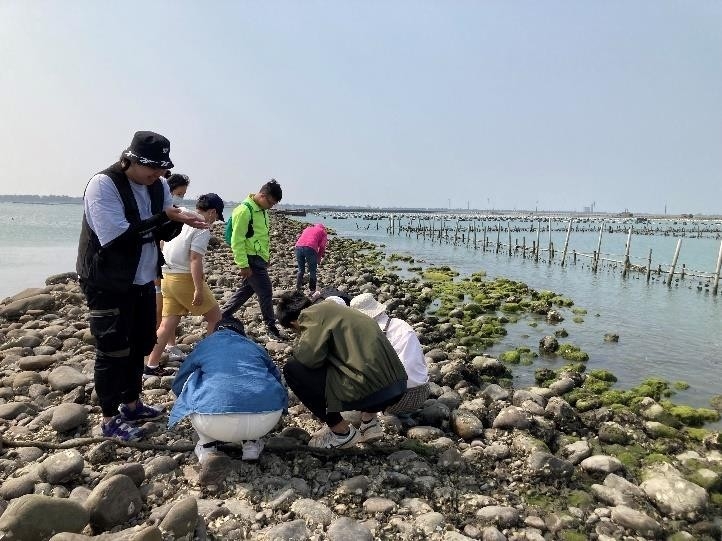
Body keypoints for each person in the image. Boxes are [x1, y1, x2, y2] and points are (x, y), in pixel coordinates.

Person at [76, 130, 207, 441]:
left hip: (143, 279)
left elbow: (166, 230)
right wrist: (164, 217)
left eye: (163, 170)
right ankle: (109, 418)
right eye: (154, 169)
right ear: (131, 161)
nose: (159, 175)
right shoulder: (104, 185)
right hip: (106, 281)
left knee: (140, 343)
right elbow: (116, 237)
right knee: (112, 349)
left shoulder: (158, 184)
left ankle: (132, 404)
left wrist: (177, 220)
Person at [276, 290, 407, 449]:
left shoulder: (310, 316)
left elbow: (308, 360)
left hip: (371, 391)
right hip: (397, 386)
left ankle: (341, 433)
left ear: (292, 323)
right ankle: (369, 423)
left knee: (292, 369)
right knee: (348, 362)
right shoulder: (339, 309)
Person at [168, 316, 287, 486]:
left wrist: (186, 399)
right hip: (265, 420)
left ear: (216, 331)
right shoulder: (254, 346)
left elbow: (180, 381)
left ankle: (207, 447)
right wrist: (283, 407)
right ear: (241, 333)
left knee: (194, 378)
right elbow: (277, 378)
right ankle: (251, 444)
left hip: (213, 422)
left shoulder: (205, 345)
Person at [144, 193, 225, 377]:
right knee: (215, 317)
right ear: (212, 212)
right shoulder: (202, 227)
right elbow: (195, 259)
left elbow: (162, 241)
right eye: (217, 217)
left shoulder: (181, 214)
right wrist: (198, 288)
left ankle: (151, 365)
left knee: (167, 324)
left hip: (167, 275)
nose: (215, 221)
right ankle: (210, 360)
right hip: (183, 278)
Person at [350, 293, 430, 428]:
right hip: (422, 392)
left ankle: (377, 415)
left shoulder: (369, 332)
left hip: (395, 400)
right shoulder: (401, 324)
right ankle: (403, 415)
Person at [221, 179, 284, 340]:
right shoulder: (244, 211)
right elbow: (237, 240)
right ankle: (271, 327)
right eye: (270, 202)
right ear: (262, 195)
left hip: (258, 258)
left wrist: (265, 257)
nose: (271, 206)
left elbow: (261, 237)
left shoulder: (261, 211)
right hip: (250, 260)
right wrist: (243, 264)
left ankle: (222, 316)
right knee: (266, 293)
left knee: (246, 290)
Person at [155, 172, 192, 361]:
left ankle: (169, 345)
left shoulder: (176, 211)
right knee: (160, 310)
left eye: (183, 194)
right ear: (168, 191)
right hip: (156, 270)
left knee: (167, 311)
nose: (180, 197)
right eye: (179, 193)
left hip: (166, 269)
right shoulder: (159, 210)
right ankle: (155, 350)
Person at [294, 223, 328, 293]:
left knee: (301, 270)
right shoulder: (323, 232)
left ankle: (298, 288)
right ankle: (312, 290)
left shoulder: (307, 228)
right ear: (323, 228)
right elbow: (322, 246)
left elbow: (300, 237)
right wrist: (318, 257)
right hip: (310, 248)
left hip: (298, 247)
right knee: (312, 270)